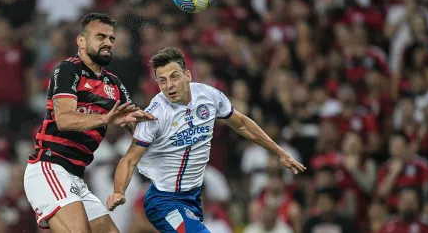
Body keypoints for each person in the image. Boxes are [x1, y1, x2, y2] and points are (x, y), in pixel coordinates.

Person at [107, 47, 306, 233]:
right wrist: (119, 191)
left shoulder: (209, 95)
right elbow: (129, 160)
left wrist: (279, 152)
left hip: (192, 199)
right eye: (162, 80)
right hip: (163, 201)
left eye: (174, 77)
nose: (169, 85)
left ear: (188, 75)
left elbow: (243, 124)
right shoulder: (155, 115)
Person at [23, 13, 155, 233]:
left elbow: (137, 122)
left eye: (111, 39)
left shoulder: (114, 84)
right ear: (81, 41)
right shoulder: (67, 70)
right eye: (100, 36)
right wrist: (104, 119)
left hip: (76, 178)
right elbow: (64, 119)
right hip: (49, 168)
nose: (107, 43)